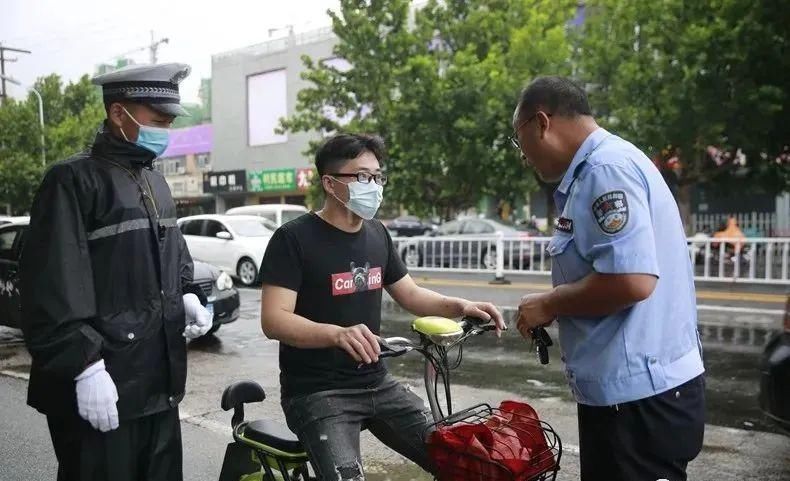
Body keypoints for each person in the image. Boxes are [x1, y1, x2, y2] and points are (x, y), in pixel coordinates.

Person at [259, 133, 505, 480]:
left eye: (377, 177)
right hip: (318, 391)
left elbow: (411, 295)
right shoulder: (293, 239)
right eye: (361, 176)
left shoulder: (377, 234)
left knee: (460, 463)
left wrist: (462, 305)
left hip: (378, 382)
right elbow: (274, 319)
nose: (372, 185)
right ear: (330, 183)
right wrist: (336, 334)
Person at [20, 63, 213, 481]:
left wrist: (187, 294)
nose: (166, 129)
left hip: (158, 385)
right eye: (157, 119)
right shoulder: (72, 181)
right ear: (118, 113)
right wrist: (84, 366)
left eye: (169, 121)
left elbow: (170, 255)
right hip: (99, 387)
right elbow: (53, 285)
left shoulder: (155, 184)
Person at [509, 77, 705, 481]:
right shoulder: (597, 169)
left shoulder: (605, 170)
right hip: (631, 393)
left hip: (639, 400)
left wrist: (550, 303)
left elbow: (632, 280)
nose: (523, 155)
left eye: (519, 139)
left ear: (541, 122)